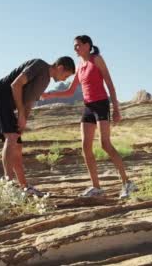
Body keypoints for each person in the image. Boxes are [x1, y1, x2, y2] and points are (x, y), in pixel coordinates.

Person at [41, 35, 136, 199]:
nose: (75, 48)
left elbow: (110, 84)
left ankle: (127, 183)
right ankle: (96, 187)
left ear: (87, 45)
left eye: (78, 45)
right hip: (88, 107)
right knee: (85, 147)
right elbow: (70, 91)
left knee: (105, 144)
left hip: (101, 105)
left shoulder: (97, 59)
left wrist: (116, 109)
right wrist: (50, 95)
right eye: (74, 46)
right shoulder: (79, 66)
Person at [0, 57, 75, 196]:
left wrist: (23, 120)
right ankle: (7, 185)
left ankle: (24, 187)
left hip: (8, 106)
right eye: (66, 75)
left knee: (17, 144)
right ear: (60, 67)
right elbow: (16, 85)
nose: (64, 79)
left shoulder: (45, 80)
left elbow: (29, 102)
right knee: (11, 138)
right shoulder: (40, 65)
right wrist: (20, 113)